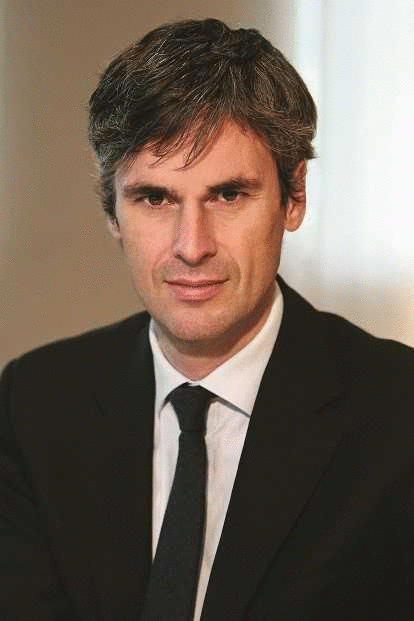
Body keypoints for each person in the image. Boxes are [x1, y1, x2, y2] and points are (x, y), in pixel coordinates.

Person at [1, 18, 414, 621]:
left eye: (228, 195)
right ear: (112, 212)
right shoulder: (34, 404)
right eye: (155, 198)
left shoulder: (399, 414)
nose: (192, 246)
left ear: (294, 196)